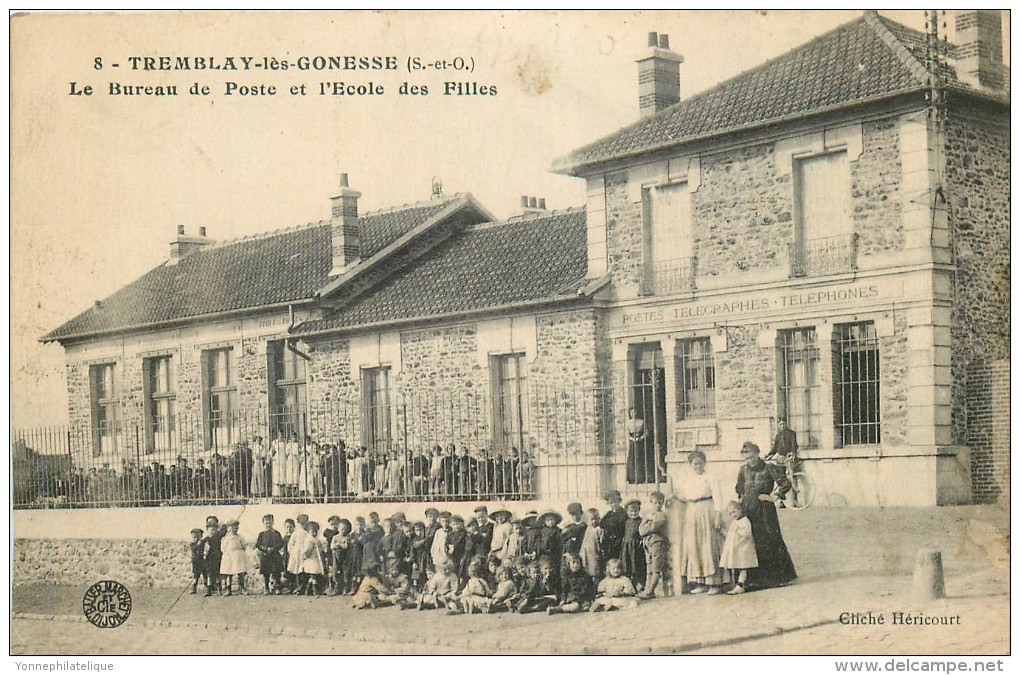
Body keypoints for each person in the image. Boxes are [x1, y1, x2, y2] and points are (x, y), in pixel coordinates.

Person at [736, 441, 797, 589]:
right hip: (749, 509)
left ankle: (778, 577)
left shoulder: (769, 467)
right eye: (746, 458)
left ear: (757, 454)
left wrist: (774, 497)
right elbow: (739, 488)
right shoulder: (742, 470)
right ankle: (755, 577)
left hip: (764, 510)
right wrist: (741, 504)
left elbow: (786, 484)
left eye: (752, 457)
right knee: (752, 541)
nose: (750, 460)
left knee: (770, 539)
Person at [676, 450, 725, 595]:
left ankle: (714, 583)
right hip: (692, 511)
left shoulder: (711, 477)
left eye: (700, 463)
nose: (697, 466)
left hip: (707, 510)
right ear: (690, 465)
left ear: (704, 463)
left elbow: (718, 497)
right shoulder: (688, 478)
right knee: (694, 545)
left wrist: (717, 515)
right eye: (694, 463)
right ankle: (700, 582)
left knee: (708, 544)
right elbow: (683, 496)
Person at [719, 501, 758, 595]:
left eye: (734, 512)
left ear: (740, 510)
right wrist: (724, 532)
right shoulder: (734, 522)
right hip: (735, 549)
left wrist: (738, 533)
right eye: (730, 513)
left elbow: (747, 534)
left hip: (743, 548)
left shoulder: (745, 521)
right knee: (736, 565)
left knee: (743, 566)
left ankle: (740, 585)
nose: (733, 515)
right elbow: (730, 534)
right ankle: (737, 584)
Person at [638, 491, 671, 598]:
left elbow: (653, 527)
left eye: (660, 503)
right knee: (649, 568)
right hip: (648, 544)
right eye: (655, 502)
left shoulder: (662, 515)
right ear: (651, 502)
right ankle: (648, 589)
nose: (657, 505)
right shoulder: (648, 514)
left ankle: (650, 591)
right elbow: (641, 530)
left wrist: (647, 523)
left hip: (658, 543)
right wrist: (647, 521)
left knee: (656, 568)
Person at [765, 419, 798, 508]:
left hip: (789, 458)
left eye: (784, 424)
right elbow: (775, 448)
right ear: (778, 425)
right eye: (780, 424)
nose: (782, 426)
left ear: (787, 424)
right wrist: (769, 455)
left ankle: (795, 500)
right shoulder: (778, 436)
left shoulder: (792, 433)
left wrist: (793, 453)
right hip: (780, 458)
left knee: (793, 477)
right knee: (781, 479)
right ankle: (781, 501)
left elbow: (794, 444)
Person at [255, 514, 285, 594]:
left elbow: (281, 543)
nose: (268, 525)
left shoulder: (276, 533)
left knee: (276, 572)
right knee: (266, 573)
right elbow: (258, 544)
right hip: (265, 555)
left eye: (270, 523)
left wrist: (274, 548)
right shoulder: (261, 534)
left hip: (275, 555)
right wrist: (264, 549)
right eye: (266, 523)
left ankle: (277, 588)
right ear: (263, 523)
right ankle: (266, 588)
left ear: (273, 523)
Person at [620, 500, 645, 591]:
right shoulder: (627, 522)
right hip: (627, 547)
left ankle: (639, 586)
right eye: (631, 511)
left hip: (636, 547)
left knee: (637, 566)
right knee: (627, 565)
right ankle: (629, 587)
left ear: (639, 511)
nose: (634, 513)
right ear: (627, 512)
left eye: (636, 511)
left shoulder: (641, 521)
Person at [219, 520, 248, 596]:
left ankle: (242, 588)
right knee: (229, 573)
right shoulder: (225, 538)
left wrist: (239, 551)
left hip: (238, 556)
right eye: (232, 528)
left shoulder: (240, 537)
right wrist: (228, 553)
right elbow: (223, 548)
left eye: (236, 528)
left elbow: (244, 546)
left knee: (240, 572)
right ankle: (229, 589)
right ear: (228, 529)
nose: (234, 530)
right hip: (229, 557)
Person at [300, 520, 326, 595]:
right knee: (313, 575)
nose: (314, 533)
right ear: (308, 532)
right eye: (312, 532)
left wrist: (321, 546)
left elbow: (320, 549)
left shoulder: (316, 540)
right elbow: (306, 552)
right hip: (311, 560)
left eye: (316, 532)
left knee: (313, 576)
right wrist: (312, 547)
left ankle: (308, 590)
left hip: (316, 559)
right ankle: (315, 590)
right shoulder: (309, 540)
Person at [201, 516, 225, 596]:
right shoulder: (205, 540)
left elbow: (224, 531)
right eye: (211, 530)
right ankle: (209, 590)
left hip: (218, 558)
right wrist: (204, 552)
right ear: (207, 530)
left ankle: (219, 589)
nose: (213, 531)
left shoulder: (218, 537)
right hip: (209, 559)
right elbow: (200, 549)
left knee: (218, 574)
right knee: (209, 575)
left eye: (215, 529)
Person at [560, 503, 586, 577]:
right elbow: (563, 539)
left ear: (581, 513)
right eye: (572, 515)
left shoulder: (584, 526)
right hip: (570, 553)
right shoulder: (569, 527)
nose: (575, 516)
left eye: (577, 514)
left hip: (580, 552)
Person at [600, 490, 627, 562]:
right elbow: (602, 523)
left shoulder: (623, 513)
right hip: (609, 541)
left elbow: (619, 523)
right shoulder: (609, 513)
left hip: (619, 540)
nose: (614, 504)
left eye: (616, 502)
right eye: (611, 503)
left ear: (619, 501)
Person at [329, 518, 353, 595]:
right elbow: (332, 546)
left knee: (345, 572)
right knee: (336, 572)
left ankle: (346, 588)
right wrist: (339, 544)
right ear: (338, 528)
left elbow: (345, 546)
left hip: (345, 557)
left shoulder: (347, 537)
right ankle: (337, 588)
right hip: (336, 557)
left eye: (345, 529)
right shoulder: (335, 537)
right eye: (341, 529)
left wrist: (339, 545)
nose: (343, 531)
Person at [580, 508, 604, 582]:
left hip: (594, 555)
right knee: (586, 572)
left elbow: (601, 542)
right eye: (591, 519)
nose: (594, 521)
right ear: (587, 521)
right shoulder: (587, 529)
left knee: (595, 572)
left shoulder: (598, 529)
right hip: (586, 554)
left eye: (596, 519)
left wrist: (601, 551)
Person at [625, 406, 648, 484]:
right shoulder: (628, 423)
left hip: (640, 442)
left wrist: (640, 438)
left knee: (640, 459)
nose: (633, 414)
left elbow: (646, 432)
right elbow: (626, 433)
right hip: (632, 442)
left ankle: (641, 477)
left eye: (634, 412)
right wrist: (632, 439)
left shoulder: (641, 422)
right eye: (631, 412)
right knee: (632, 459)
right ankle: (631, 478)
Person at [281, 518, 296, 593]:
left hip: (293, 555)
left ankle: (294, 586)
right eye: (287, 527)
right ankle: (289, 587)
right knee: (287, 569)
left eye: (290, 527)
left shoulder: (295, 536)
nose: (289, 528)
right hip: (287, 556)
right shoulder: (284, 537)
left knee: (294, 570)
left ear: (294, 527)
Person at [188, 528, 205, 594]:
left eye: (198, 536)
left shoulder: (203, 543)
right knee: (195, 576)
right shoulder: (192, 544)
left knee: (205, 574)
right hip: (195, 562)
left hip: (203, 561)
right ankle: (193, 588)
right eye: (194, 537)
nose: (196, 538)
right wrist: (198, 544)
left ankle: (207, 587)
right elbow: (194, 549)